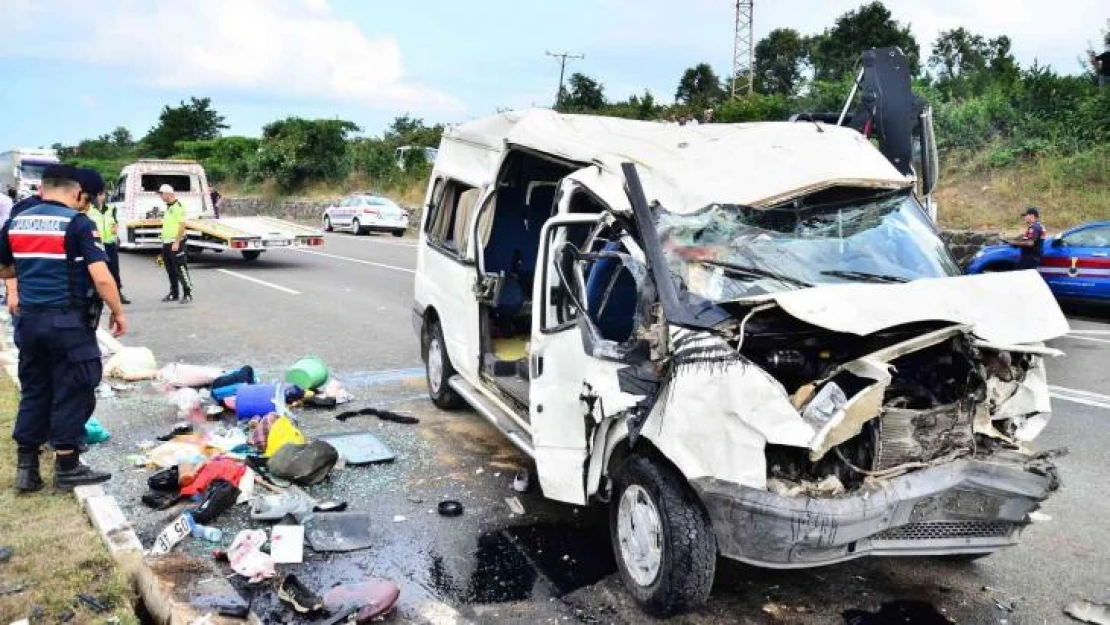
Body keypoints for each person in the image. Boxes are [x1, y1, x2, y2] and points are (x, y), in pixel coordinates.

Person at [0, 165, 127, 492]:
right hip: (67, 324)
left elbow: (5, 268)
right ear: (75, 192)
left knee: (37, 389)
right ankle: (67, 466)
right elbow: (102, 276)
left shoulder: (16, 221)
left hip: (29, 322)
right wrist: (117, 311)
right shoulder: (76, 223)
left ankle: (26, 469)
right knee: (74, 388)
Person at [88, 188, 130, 304]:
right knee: (97, 270)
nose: (100, 197)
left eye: (102, 195)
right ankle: (96, 295)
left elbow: (115, 222)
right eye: (98, 195)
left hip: (110, 243)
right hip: (96, 244)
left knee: (114, 269)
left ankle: (118, 293)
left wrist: (115, 228)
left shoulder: (111, 209)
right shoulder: (89, 209)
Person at [158, 184, 193, 303]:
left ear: (168, 193)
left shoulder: (179, 206)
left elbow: (182, 225)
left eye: (162, 194)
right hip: (166, 243)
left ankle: (187, 293)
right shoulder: (168, 207)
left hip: (176, 242)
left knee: (181, 268)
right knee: (170, 269)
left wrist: (177, 242)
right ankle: (174, 292)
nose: (161, 197)